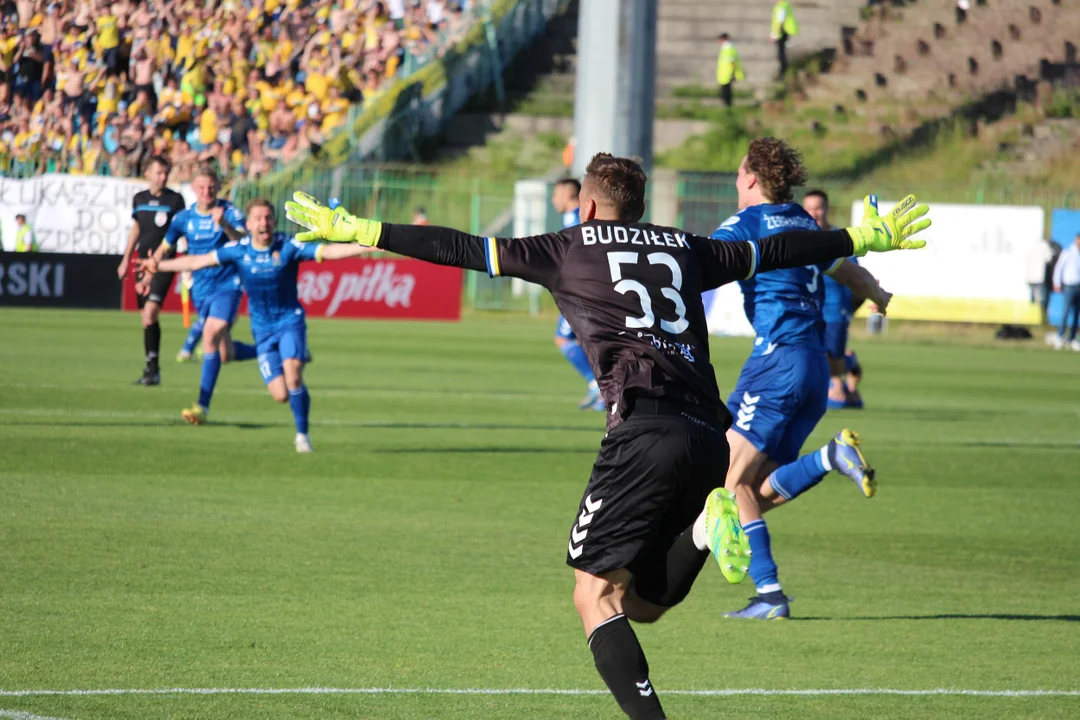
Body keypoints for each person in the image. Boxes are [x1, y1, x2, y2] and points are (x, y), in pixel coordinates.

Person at [284, 153, 931, 720]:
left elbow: (461, 249)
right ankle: (708, 526)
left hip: (642, 431)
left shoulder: (570, 247)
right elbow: (783, 251)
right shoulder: (686, 246)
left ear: (587, 204)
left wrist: (366, 231)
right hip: (709, 435)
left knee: (590, 592)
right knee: (635, 603)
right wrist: (859, 236)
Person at [711, 139, 895, 621]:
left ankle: (770, 593)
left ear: (751, 178)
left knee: (725, 486)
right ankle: (831, 456)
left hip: (776, 362)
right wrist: (877, 292)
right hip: (814, 367)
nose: (736, 183)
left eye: (737, 174)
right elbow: (850, 272)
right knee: (756, 487)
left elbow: (697, 265)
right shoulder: (804, 223)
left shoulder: (745, 225)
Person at [140, 199, 371, 452]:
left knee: (293, 376)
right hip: (261, 330)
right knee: (280, 395)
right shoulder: (239, 250)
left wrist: (366, 243)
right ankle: (290, 361)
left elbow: (327, 252)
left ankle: (302, 436)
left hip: (289, 321)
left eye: (268, 218)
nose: (264, 223)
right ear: (248, 224)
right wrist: (158, 265)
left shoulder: (287, 246)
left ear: (274, 221)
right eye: (259, 218)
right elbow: (197, 262)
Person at [149, 163, 259, 424]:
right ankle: (269, 349)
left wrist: (224, 226)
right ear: (193, 189)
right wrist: (149, 269)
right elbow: (165, 247)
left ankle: (202, 406)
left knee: (210, 333)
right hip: (201, 289)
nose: (207, 192)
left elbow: (245, 242)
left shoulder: (229, 211)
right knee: (224, 353)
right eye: (201, 188)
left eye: (211, 187)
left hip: (229, 285)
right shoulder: (184, 218)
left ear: (218, 188)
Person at [118, 156, 187, 386]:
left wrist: (183, 261)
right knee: (145, 319)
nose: (163, 177)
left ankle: (153, 367)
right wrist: (126, 259)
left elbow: (180, 233)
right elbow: (136, 228)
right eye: (158, 172)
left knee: (150, 312)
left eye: (165, 172)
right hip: (141, 262)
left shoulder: (175, 200)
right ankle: (152, 369)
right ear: (147, 173)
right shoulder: (139, 199)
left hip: (164, 263)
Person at [805, 189, 867, 409]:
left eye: (818, 208)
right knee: (809, 353)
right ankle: (846, 367)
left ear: (826, 209)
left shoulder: (840, 240)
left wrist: (850, 309)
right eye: (809, 209)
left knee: (836, 401)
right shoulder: (798, 240)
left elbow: (856, 278)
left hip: (835, 309)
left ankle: (841, 375)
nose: (814, 213)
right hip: (809, 309)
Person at [550, 177, 603, 411]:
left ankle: (598, 385)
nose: (553, 199)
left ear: (567, 194)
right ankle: (602, 387)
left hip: (579, 293)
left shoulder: (575, 220)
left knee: (564, 338)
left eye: (556, 194)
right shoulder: (574, 219)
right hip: (584, 291)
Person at [1051, 233, 1080, 351]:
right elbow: (1059, 268)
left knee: (1076, 314)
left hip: (1079, 286)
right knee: (1065, 312)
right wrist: (1057, 283)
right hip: (1069, 286)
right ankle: (1060, 336)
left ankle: (1072, 338)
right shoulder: (1068, 252)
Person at [1026, 237, 1054, 326]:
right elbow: (1049, 258)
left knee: (1033, 298)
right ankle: (1040, 319)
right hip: (1039, 276)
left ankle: (1031, 318)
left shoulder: (1030, 245)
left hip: (1030, 276)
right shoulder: (1044, 246)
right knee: (1041, 299)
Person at [770, 0, 798, 80]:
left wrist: (774, 34)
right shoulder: (785, 5)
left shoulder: (781, 6)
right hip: (784, 31)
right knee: (781, 53)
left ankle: (783, 72)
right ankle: (783, 71)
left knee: (781, 54)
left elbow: (779, 21)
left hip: (781, 32)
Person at [715, 33, 744, 109]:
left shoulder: (728, 48)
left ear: (724, 39)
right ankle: (727, 108)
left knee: (726, 93)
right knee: (725, 92)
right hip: (724, 74)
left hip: (727, 74)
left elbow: (732, 62)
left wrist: (733, 73)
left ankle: (728, 108)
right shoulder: (726, 48)